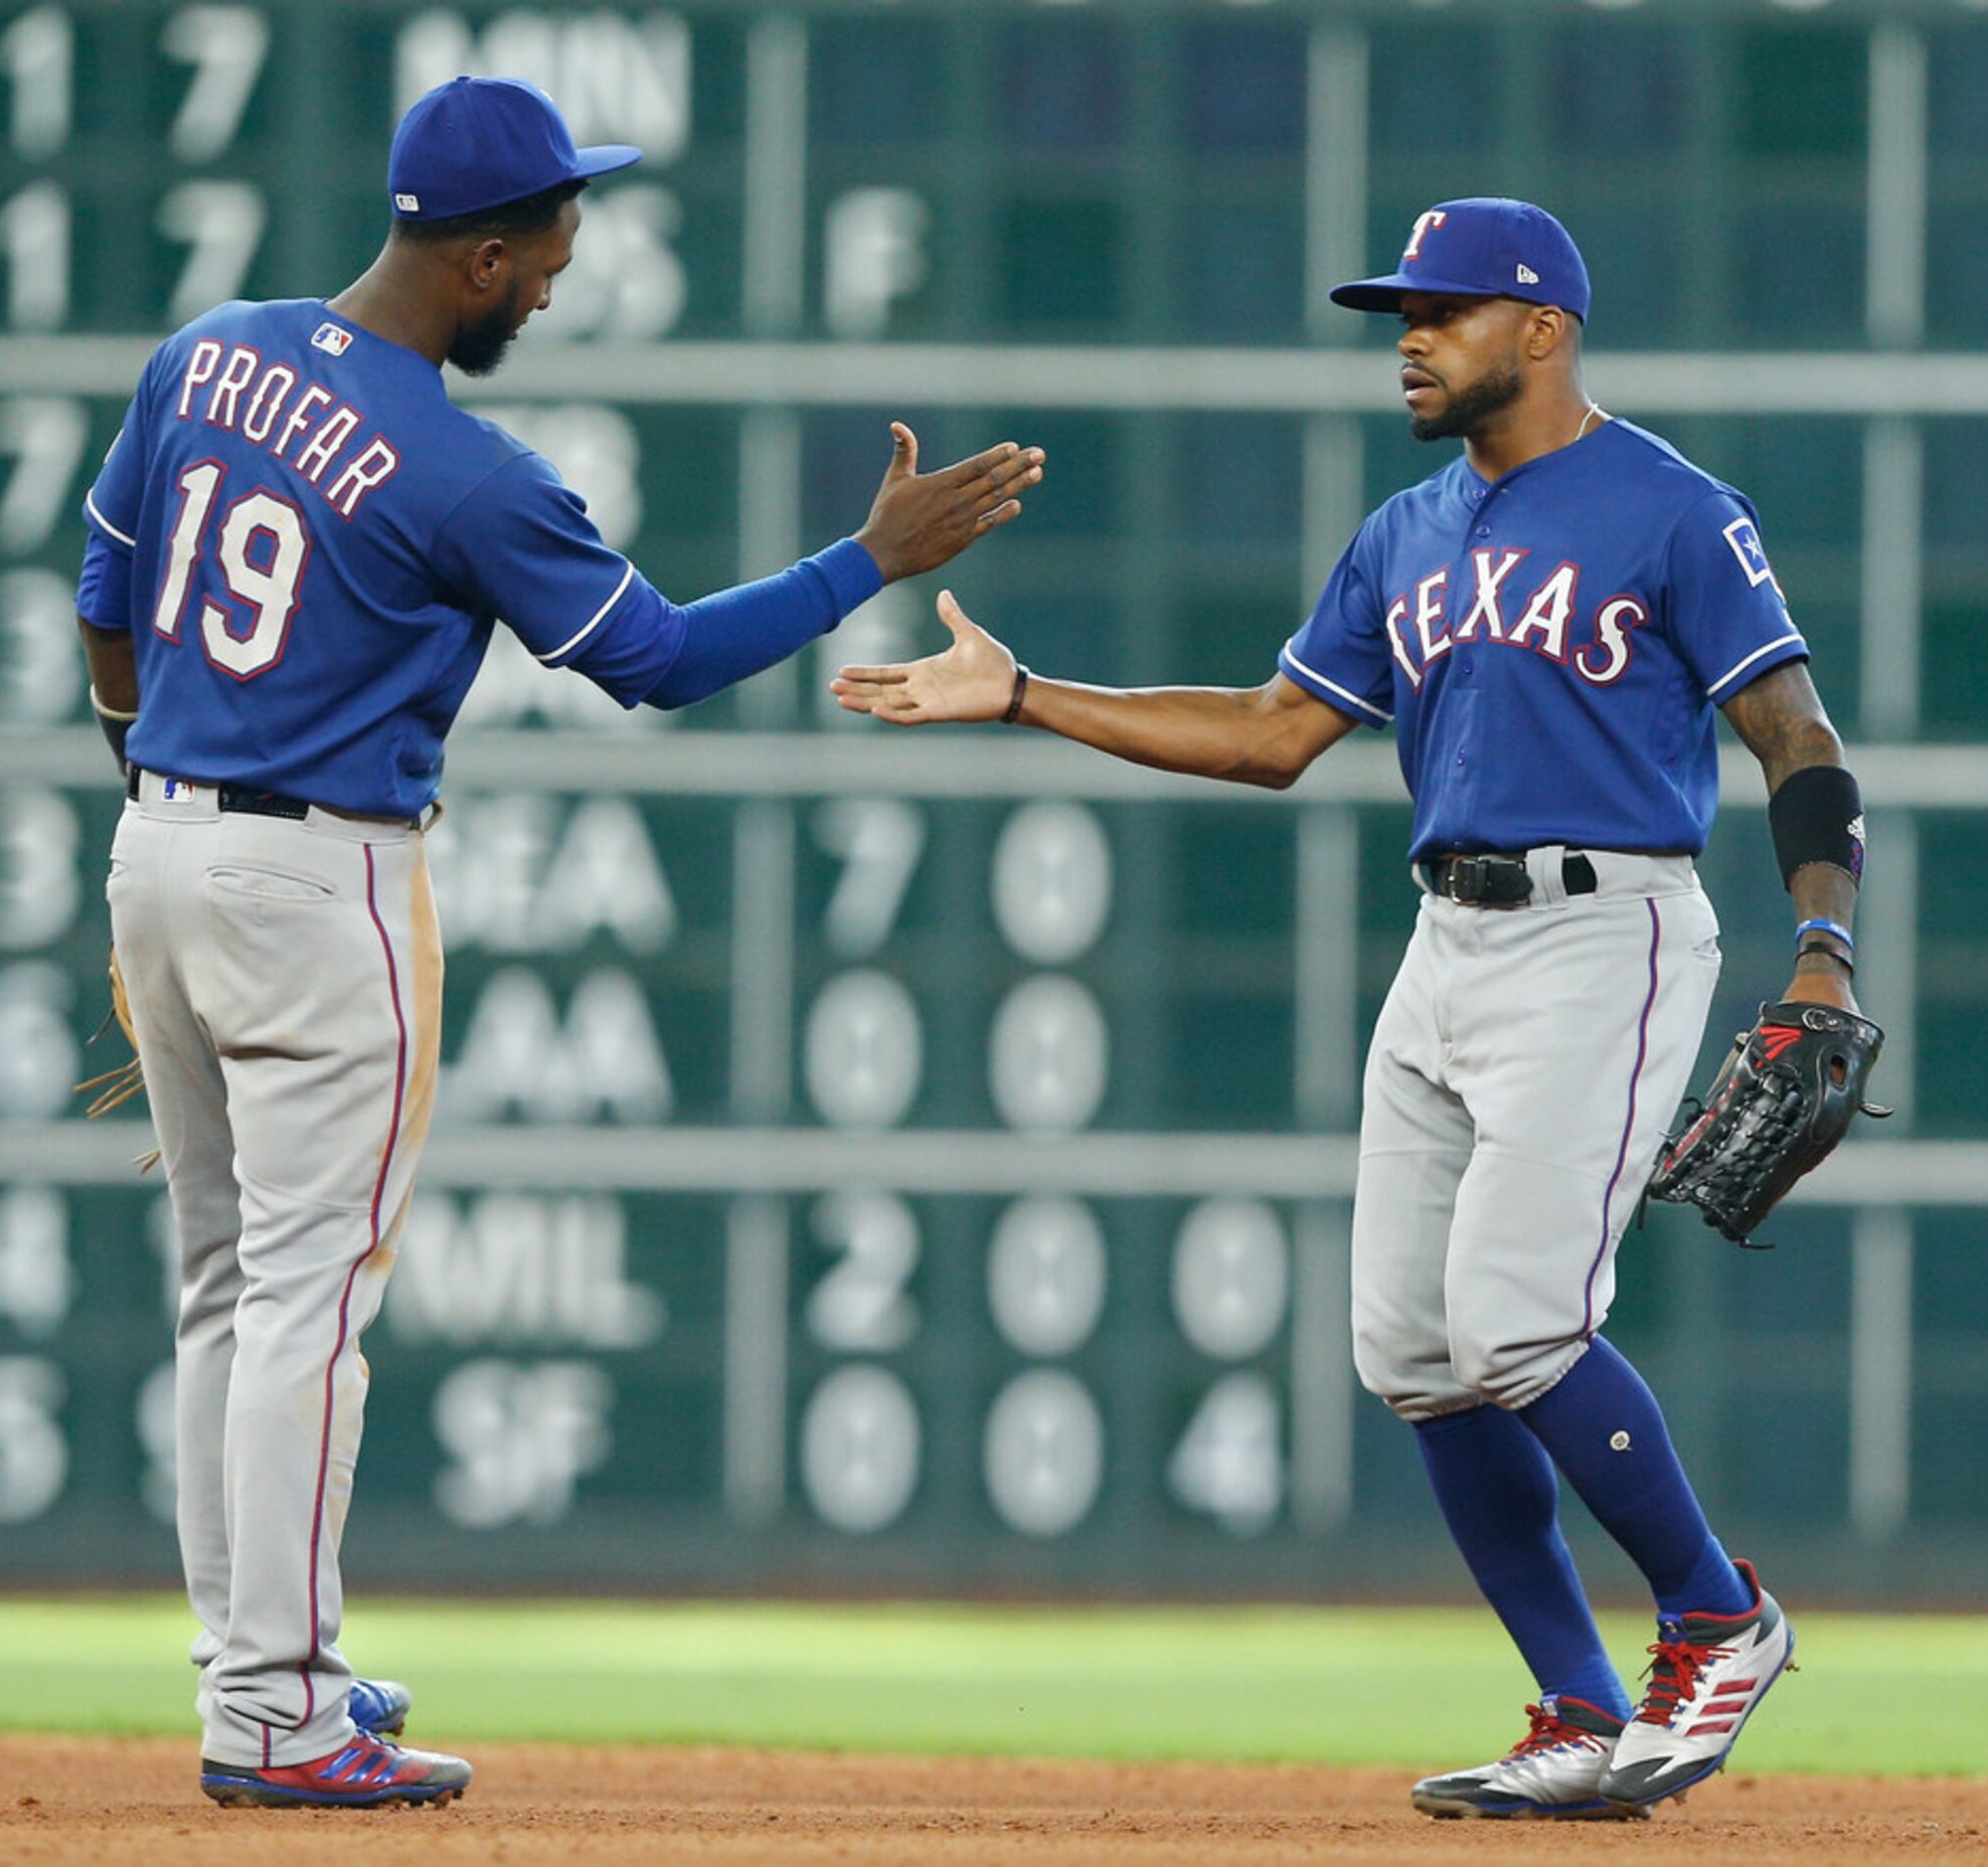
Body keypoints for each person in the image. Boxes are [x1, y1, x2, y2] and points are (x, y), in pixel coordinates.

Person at [76, 75, 1044, 1810]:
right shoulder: (463, 465)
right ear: (475, 253)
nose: (557, 278)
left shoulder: (209, 350)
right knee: (309, 1300)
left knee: (224, 1290)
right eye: (548, 250)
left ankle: (251, 1667)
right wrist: (861, 559)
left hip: (160, 838)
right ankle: (282, 1703)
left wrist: (165, 823)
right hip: (321, 886)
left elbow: (105, 595)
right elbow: (655, 662)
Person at [833, 197, 1865, 1820]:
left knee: (1520, 1321)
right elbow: (1265, 732)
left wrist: (1822, 952)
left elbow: (1795, 738)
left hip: (1608, 931)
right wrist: (1026, 696)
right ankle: (1577, 1709)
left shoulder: (1672, 509)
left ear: (1541, 330)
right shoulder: (1403, 533)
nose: (1408, 336)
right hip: (1443, 940)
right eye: (1402, 310)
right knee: (1412, 1349)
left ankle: (1721, 1614)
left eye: (1442, 310)